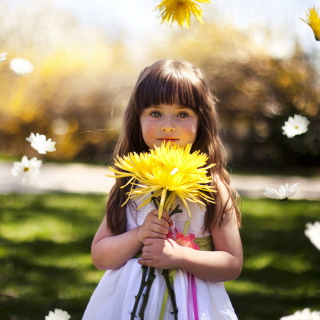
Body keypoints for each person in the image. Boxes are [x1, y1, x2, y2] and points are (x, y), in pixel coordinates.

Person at [82, 59, 243, 320]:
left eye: (182, 114)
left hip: (190, 306)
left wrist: (180, 257)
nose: (168, 125)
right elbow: (100, 256)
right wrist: (138, 235)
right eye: (155, 113)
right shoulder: (130, 183)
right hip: (127, 304)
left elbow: (232, 264)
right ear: (138, 119)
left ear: (202, 121)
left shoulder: (211, 187)